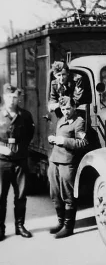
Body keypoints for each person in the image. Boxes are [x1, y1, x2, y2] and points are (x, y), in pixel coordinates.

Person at [48, 96, 88, 239]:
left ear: (74, 107)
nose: (65, 111)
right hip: (55, 161)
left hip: (67, 162)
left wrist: (63, 141)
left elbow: (83, 143)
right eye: (63, 109)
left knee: (68, 196)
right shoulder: (61, 120)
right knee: (55, 194)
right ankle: (60, 223)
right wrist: (53, 139)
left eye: (68, 108)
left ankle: (68, 227)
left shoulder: (79, 122)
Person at [0, 83, 35, 241]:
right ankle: (0, 228)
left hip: (20, 161)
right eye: (9, 97)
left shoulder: (25, 116)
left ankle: (20, 226)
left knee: (21, 196)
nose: (12, 100)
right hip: (2, 162)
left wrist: (20, 150)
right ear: (3, 97)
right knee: (1, 196)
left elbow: (29, 135)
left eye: (15, 97)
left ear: (18, 98)